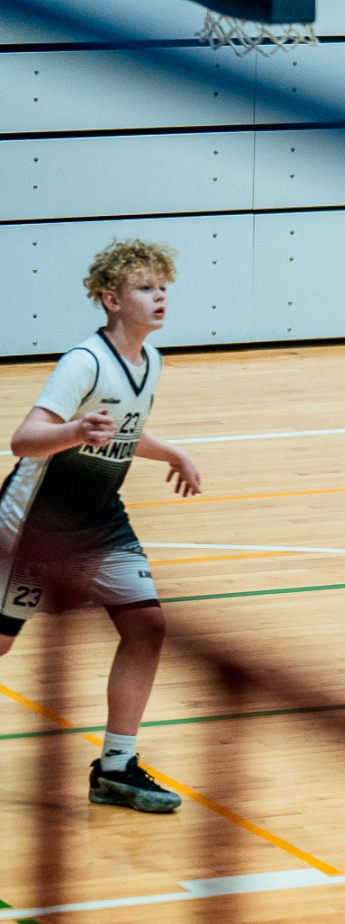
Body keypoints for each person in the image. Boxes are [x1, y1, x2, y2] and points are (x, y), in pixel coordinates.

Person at [1, 239, 204, 813]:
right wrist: (73, 432)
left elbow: (122, 432)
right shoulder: (84, 362)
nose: (160, 296)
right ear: (112, 300)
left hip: (100, 520)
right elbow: (24, 440)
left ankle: (115, 769)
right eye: (145, 288)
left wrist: (171, 453)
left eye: (163, 286)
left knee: (146, 626)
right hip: (36, 525)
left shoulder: (150, 362)